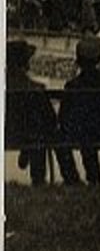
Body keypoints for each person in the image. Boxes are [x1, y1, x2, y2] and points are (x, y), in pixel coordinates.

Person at [7, 38, 80, 184]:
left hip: (9, 134)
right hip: (32, 136)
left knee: (35, 132)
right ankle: (70, 178)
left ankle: (27, 154)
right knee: (44, 133)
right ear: (26, 63)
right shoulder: (36, 88)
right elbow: (50, 119)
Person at [59, 36, 100, 184]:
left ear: (78, 60)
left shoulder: (73, 85)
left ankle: (77, 178)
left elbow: (63, 115)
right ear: (99, 58)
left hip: (80, 134)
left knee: (81, 137)